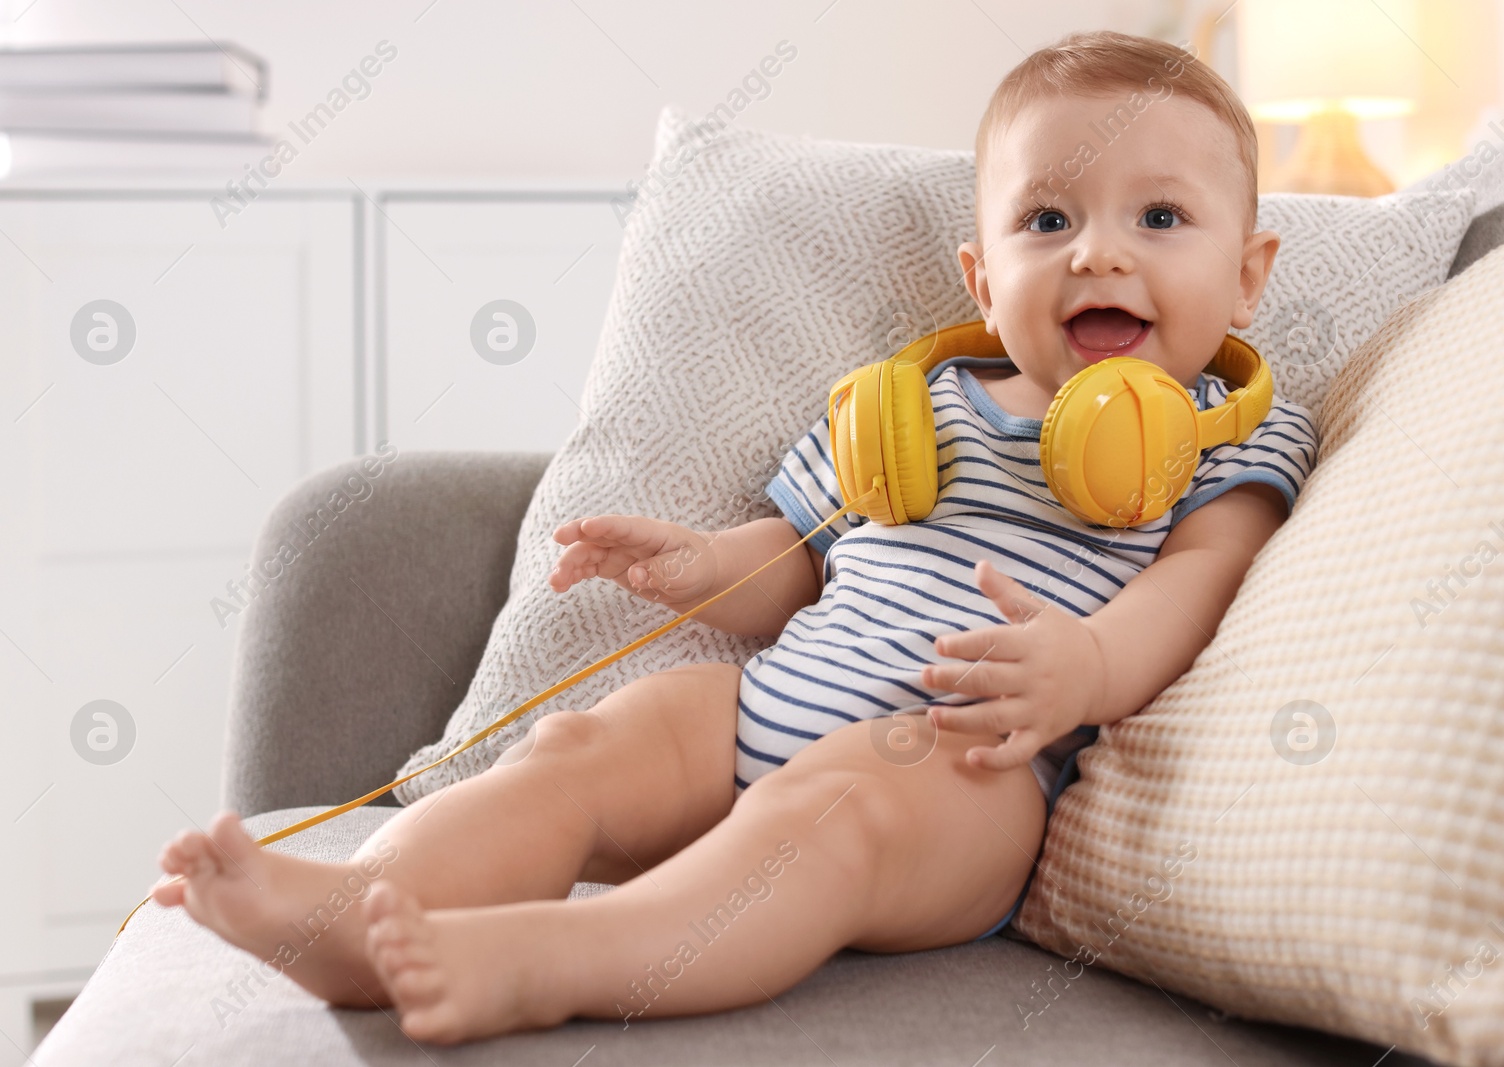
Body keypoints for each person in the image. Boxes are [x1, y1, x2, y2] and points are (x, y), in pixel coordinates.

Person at [152, 29, 1318, 1044]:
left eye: (1159, 217)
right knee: (581, 742)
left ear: (1248, 272)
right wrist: (698, 570)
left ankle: (549, 961)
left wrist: (1090, 667)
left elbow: (1202, 583)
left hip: (960, 773)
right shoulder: (914, 414)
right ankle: (354, 913)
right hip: (766, 705)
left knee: (834, 811)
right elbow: (798, 565)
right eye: (1045, 218)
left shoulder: (1221, 441)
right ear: (980, 273)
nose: (1096, 253)